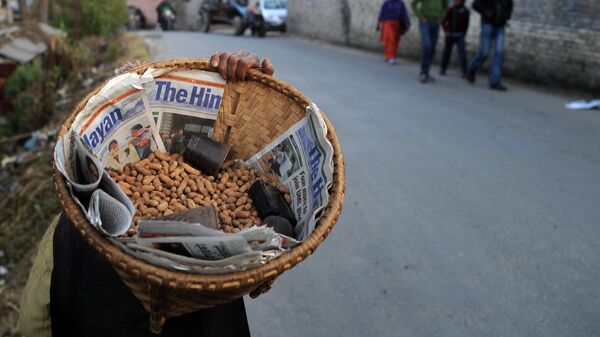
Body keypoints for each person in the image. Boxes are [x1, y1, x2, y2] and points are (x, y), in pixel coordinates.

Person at [18, 50, 275, 337]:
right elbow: (35, 321)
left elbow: (33, 324)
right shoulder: (68, 238)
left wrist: (244, 85)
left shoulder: (212, 241)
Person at [465, 0, 513, 91]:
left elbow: (510, 5)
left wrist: (506, 16)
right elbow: (476, 4)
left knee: (499, 52)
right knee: (484, 52)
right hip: (488, 24)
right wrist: (487, 13)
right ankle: (471, 67)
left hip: (500, 26)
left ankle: (494, 82)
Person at [411, 0, 448, 83]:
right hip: (425, 22)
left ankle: (426, 73)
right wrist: (421, 17)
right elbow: (414, 4)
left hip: (436, 23)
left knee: (432, 48)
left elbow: (446, 6)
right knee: (427, 45)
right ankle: (423, 73)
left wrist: (442, 17)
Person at [439, 0, 469, 77]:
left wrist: (464, 33)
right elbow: (443, 20)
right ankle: (443, 68)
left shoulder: (465, 11)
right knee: (447, 52)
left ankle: (464, 71)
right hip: (450, 34)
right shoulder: (451, 9)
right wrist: (446, 31)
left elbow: (466, 24)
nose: (456, 1)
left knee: (462, 53)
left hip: (460, 35)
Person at [377, 0, 411, 65]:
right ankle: (390, 57)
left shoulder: (401, 3)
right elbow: (382, 13)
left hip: (397, 25)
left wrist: (407, 22)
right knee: (389, 40)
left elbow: (404, 13)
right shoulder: (387, 3)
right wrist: (378, 23)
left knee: (395, 41)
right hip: (387, 24)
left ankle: (390, 55)